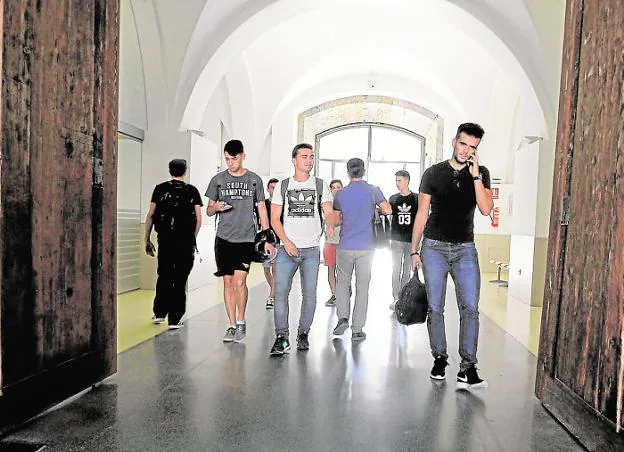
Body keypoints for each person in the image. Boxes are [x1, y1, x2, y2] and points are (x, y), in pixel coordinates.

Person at [410, 122, 493, 389]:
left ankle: (467, 367)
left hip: (465, 249)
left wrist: (477, 175)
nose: (466, 150)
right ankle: (440, 358)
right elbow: (422, 213)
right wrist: (414, 249)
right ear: (454, 142)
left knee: (470, 308)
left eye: (472, 147)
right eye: (463, 144)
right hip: (433, 246)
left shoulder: (482, 173)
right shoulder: (433, 173)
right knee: (436, 307)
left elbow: (485, 208)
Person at [205, 140, 274, 343]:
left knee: (240, 282)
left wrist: (266, 236)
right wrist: (216, 207)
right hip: (223, 239)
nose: (230, 162)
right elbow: (208, 210)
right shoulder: (218, 180)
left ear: (242, 156)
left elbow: (261, 208)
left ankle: (242, 320)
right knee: (227, 282)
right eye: (226, 158)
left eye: (233, 158)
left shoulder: (254, 180)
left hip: (246, 239)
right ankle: (231, 324)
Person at [269, 143, 333, 355]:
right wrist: (286, 241)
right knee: (280, 294)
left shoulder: (321, 185)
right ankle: (281, 336)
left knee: (310, 295)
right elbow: (274, 219)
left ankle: (303, 333)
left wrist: (331, 222)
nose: (309, 160)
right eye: (304, 156)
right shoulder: (283, 186)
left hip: (311, 250)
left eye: (312, 156)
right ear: (294, 160)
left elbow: (327, 211)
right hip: (287, 249)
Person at [332, 158, 392, 341]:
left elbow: (336, 221)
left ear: (348, 172)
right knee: (362, 287)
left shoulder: (340, 194)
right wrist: (373, 210)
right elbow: (388, 210)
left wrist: (349, 217)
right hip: (366, 247)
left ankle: (342, 317)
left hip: (345, 246)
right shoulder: (373, 191)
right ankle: (357, 329)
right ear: (364, 170)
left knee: (342, 283)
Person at [144, 159, 203, 330]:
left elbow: (150, 215)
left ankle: (159, 313)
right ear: (185, 171)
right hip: (184, 241)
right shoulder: (192, 191)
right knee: (179, 278)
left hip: (165, 240)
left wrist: (146, 239)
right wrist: (192, 238)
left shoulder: (160, 189)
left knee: (164, 274)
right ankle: (174, 319)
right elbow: (199, 219)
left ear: (169, 170)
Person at [388, 170, 418, 310]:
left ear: (407, 181)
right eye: (396, 181)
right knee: (396, 269)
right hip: (396, 239)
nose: (397, 183)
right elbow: (389, 217)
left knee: (407, 269)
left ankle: (404, 297)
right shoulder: (393, 198)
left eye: (399, 180)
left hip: (411, 240)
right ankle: (395, 297)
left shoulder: (416, 199)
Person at [324, 179, 343, 307]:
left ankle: (343, 293)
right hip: (330, 242)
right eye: (333, 187)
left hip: (343, 242)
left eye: (338, 187)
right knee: (331, 270)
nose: (336, 189)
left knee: (343, 271)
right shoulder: (326, 205)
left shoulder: (346, 204)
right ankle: (335, 294)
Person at [262, 178, 280, 309]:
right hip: (265, 242)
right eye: (271, 187)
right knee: (266, 270)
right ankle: (275, 291)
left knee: (275, 270)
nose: (273, 190)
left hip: (278, 242)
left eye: (276, 187)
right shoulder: (263, 205)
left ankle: (271, 296)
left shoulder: (282, 205)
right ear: (268, 189)